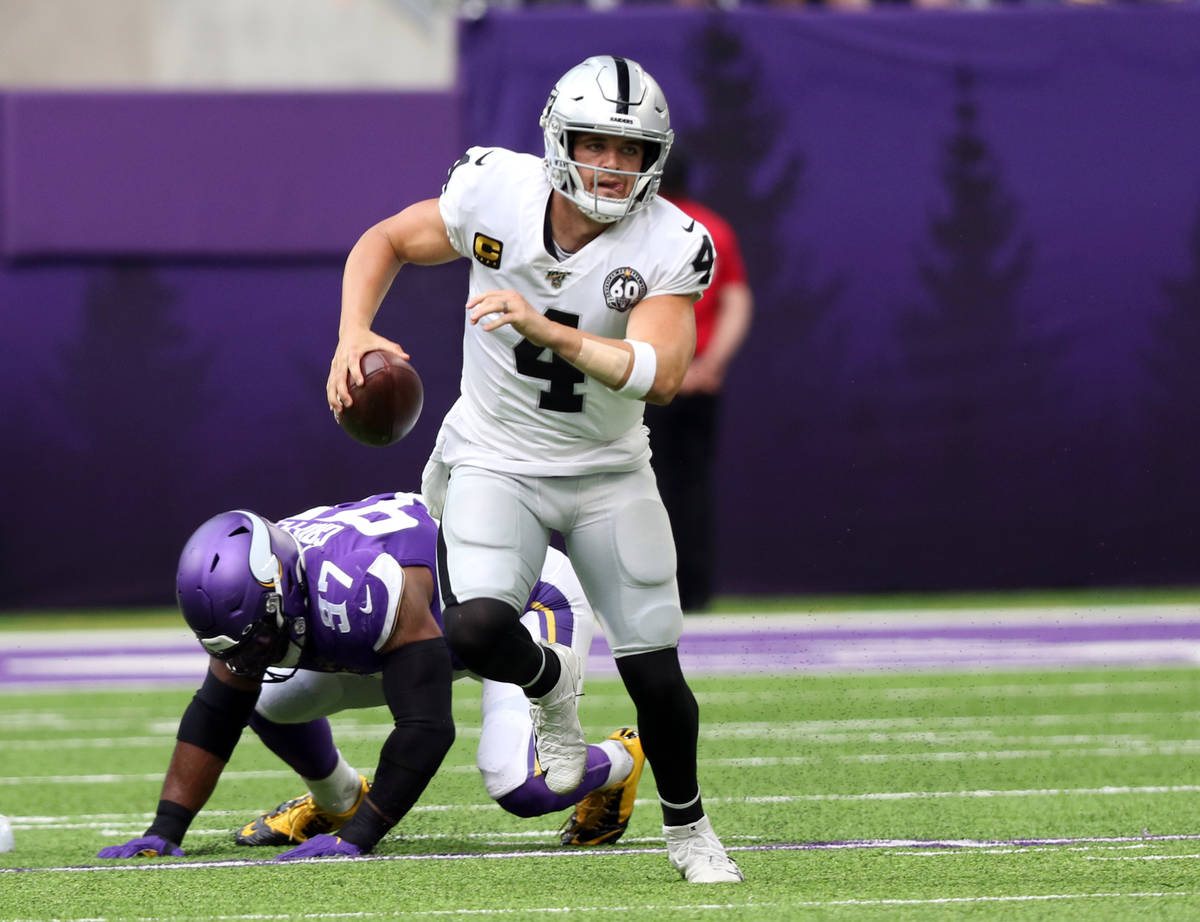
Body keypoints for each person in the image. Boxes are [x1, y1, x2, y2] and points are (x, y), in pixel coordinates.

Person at [326, 55, 742, 883]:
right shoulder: (494, 193)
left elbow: (662, 375)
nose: (613, 166)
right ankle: (552, 689)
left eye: (631, 151)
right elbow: (385, 240)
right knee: (477, 628)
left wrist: (550, 332)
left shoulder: (669, 241)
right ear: (560, 140)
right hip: (493, 455)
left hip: (606, 468)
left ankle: (689, 829)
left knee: (655, 672)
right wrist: (353, 332)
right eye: (597, 144)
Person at [97, 492, 644, 860]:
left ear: (281, 588)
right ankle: (339, 799)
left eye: (259, 634)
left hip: (517, 607)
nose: (252, 651)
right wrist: (165, 831)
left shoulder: (362, 589)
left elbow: (427, 727)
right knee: (263, 696)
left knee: (519, 785)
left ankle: (621, 759)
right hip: (427, 628)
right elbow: (218, 710)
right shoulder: (258, 591)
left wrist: (359, 840)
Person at [643, 153, 753, 613]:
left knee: (638, 488)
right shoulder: (712, 228)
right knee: (691, 487)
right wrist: (709, 365)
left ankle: (645, 591)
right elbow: (736, 300)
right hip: (694, 382)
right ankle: (694, 591)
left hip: (643, 380)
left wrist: (660, 368)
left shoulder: (638, 229)